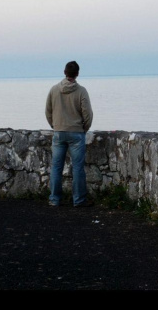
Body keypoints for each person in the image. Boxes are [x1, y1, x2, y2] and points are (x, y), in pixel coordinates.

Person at [45, 61, 94, 207]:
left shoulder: (54, 90)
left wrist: (55, 126)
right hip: (76, 133)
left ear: (64, 72)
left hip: (59, 132)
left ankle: (54, 199)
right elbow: (87, 114)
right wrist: (84, 129)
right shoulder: (81, 91)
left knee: (56, 167)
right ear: (77, 73)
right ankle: (78, 200)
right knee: (78, 168)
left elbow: (48, 111)